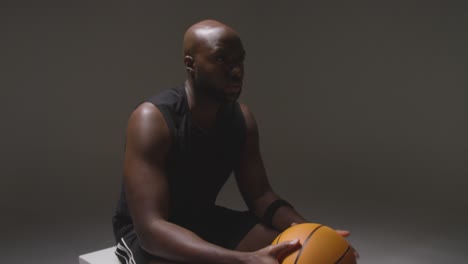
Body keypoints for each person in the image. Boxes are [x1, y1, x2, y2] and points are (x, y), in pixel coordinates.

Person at [112, 19, 355, 264]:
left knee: (295, 249)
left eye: (239, 59)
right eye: (221, 59)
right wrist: (243, 259)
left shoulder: (241, 119)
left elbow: (261, 196)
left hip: (204, 219)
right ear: (190, 64)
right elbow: (150, 229)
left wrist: (314, 234)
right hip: (147, 234)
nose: (236, 70)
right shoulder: (152, 120)